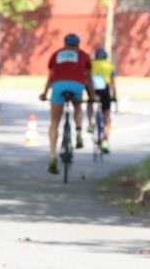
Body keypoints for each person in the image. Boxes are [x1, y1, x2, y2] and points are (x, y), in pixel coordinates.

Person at [40, 33, 94, 174]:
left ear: (64, 44)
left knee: (54, 122)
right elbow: (89, 78)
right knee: (77, 106)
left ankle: (52, 155)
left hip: (58, 86)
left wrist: (45, 93)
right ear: (78, 44)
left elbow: (50, 76)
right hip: (77, 86)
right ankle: (78, 133)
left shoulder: (56, 54)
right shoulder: (83, 55)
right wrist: (92, 96)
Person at [89, 48, 116, 153]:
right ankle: (105, 141)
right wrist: (114, 95)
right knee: (107, 116)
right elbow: (113, 82)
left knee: (90, 103)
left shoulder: (92, 64)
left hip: (94, 89)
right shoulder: (110, 65)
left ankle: (90, 123)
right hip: (105, 89)